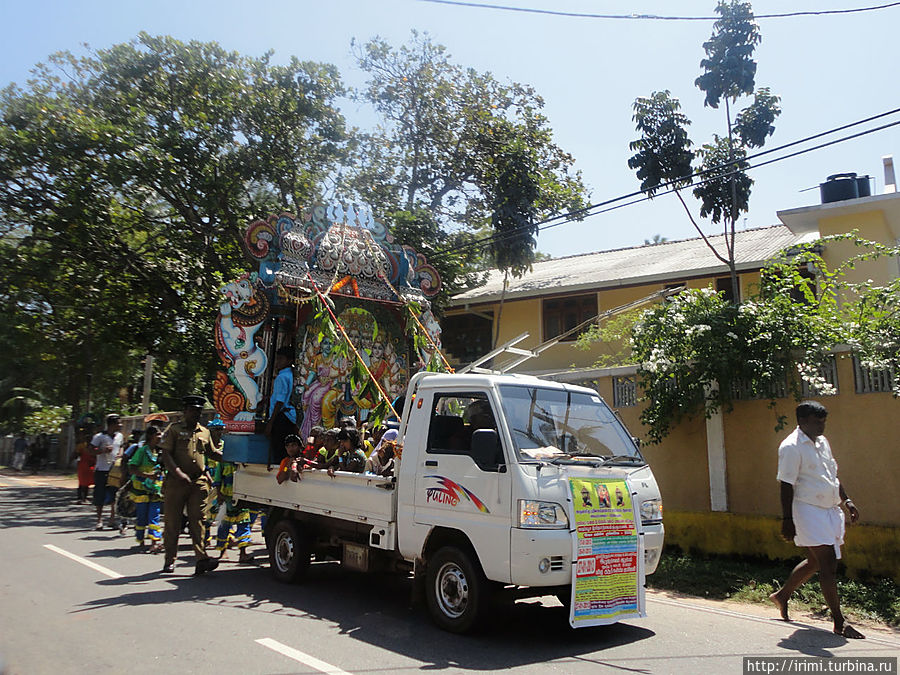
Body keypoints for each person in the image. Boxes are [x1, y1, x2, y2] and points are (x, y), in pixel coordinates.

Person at [769, 401, 864, 639]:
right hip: (807, 510)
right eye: (816, 421)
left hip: (829, 509)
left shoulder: (822, 443)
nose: (821, 426)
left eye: (823, 421)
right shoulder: (791, 447)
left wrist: (848, 500)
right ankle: (839, 621)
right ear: (802, 421)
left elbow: (832, 474)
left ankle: (781, 596)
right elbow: (786, 484)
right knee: (828, 562)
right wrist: (788, 519)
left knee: (814, 562)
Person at [160, 395, 223, 575]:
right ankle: (169, 560)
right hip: (176, 482)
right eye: (193, 410)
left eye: (199, 411)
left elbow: (213, 453)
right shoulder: (173, 430)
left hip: (198, 483)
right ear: (185, 411)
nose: (196, 414)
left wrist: (232, 457)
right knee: (173, 521)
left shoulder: (204, 431)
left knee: (199, 521)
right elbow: (166, 454)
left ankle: (201, 559)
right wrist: (178, 473)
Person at [128, 426, 164, 553]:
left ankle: (155, 542)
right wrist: (147, 476)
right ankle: (141, 540)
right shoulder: (142, 451)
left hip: (155, 489)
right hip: (141, 488)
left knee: (154, 515)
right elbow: (132, 468)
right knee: (142, 516)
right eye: (158, 434)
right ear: (151, 436)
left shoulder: (161, 452)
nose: (160, 437)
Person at [90, 415, 124, 530]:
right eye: (118, 423)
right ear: (111, 424)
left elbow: (121, 446)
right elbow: (90, 450)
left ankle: (112, 519)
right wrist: (102, 450)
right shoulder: (99, 437)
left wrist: (120, 453)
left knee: (115, 494)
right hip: (102, 469)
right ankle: (99, 520)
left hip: (115, 470)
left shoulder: (120, 436)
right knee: (100, 494)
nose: (121, 425)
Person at [266, 346, 298, 466]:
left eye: (280, 359)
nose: (277, 362)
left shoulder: (282, 377)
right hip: (290, 416)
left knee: (279, 447)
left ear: (289, 361)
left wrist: (271, 422)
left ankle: (280, 468)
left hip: (281, 417)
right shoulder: (291, 375)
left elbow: (280, 401)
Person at [71, 428, 95, 503]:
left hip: (91, 466)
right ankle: (81, 498)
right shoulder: (81, 446)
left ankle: (84, 498)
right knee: (83, 483)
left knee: (86, 482)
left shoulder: (94, 446)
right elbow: (75, 455)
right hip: (84, 466)